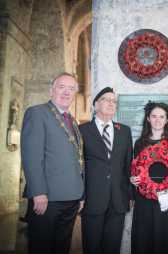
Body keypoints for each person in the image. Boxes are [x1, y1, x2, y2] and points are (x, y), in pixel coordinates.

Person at [21, 72, 84, 254]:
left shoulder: (72, 121)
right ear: (51, 91)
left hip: (71, 198)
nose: (66, 92)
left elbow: (78, 159)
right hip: (47, 199)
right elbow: (32, 156)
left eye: (71, 89)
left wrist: (81, 194)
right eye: (61, 87)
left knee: (61, 248)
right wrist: (38, 192)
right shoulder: (37, 113)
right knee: (42, 247)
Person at [79, 87, 133, 254]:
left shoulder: (124, 131)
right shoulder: (82, 130)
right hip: (92, 200)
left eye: (114, 101)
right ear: (96, 105)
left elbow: (128, 165)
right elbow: (78, 167)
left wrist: (130, 195)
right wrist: (80, 196)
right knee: (92, 247)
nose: (111, 103)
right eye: (106, 99)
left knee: (112, 247)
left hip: (118, 200)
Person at [130, 101, 168, 254]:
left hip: (166, 194)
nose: (157, 120)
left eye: (162, 117)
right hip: (144, 194)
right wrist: (133, 179)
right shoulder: (140, 143)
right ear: (148, 118)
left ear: (167, 120)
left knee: (166, 234)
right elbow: (135, 170)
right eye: (154, 116)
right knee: (143, 235)